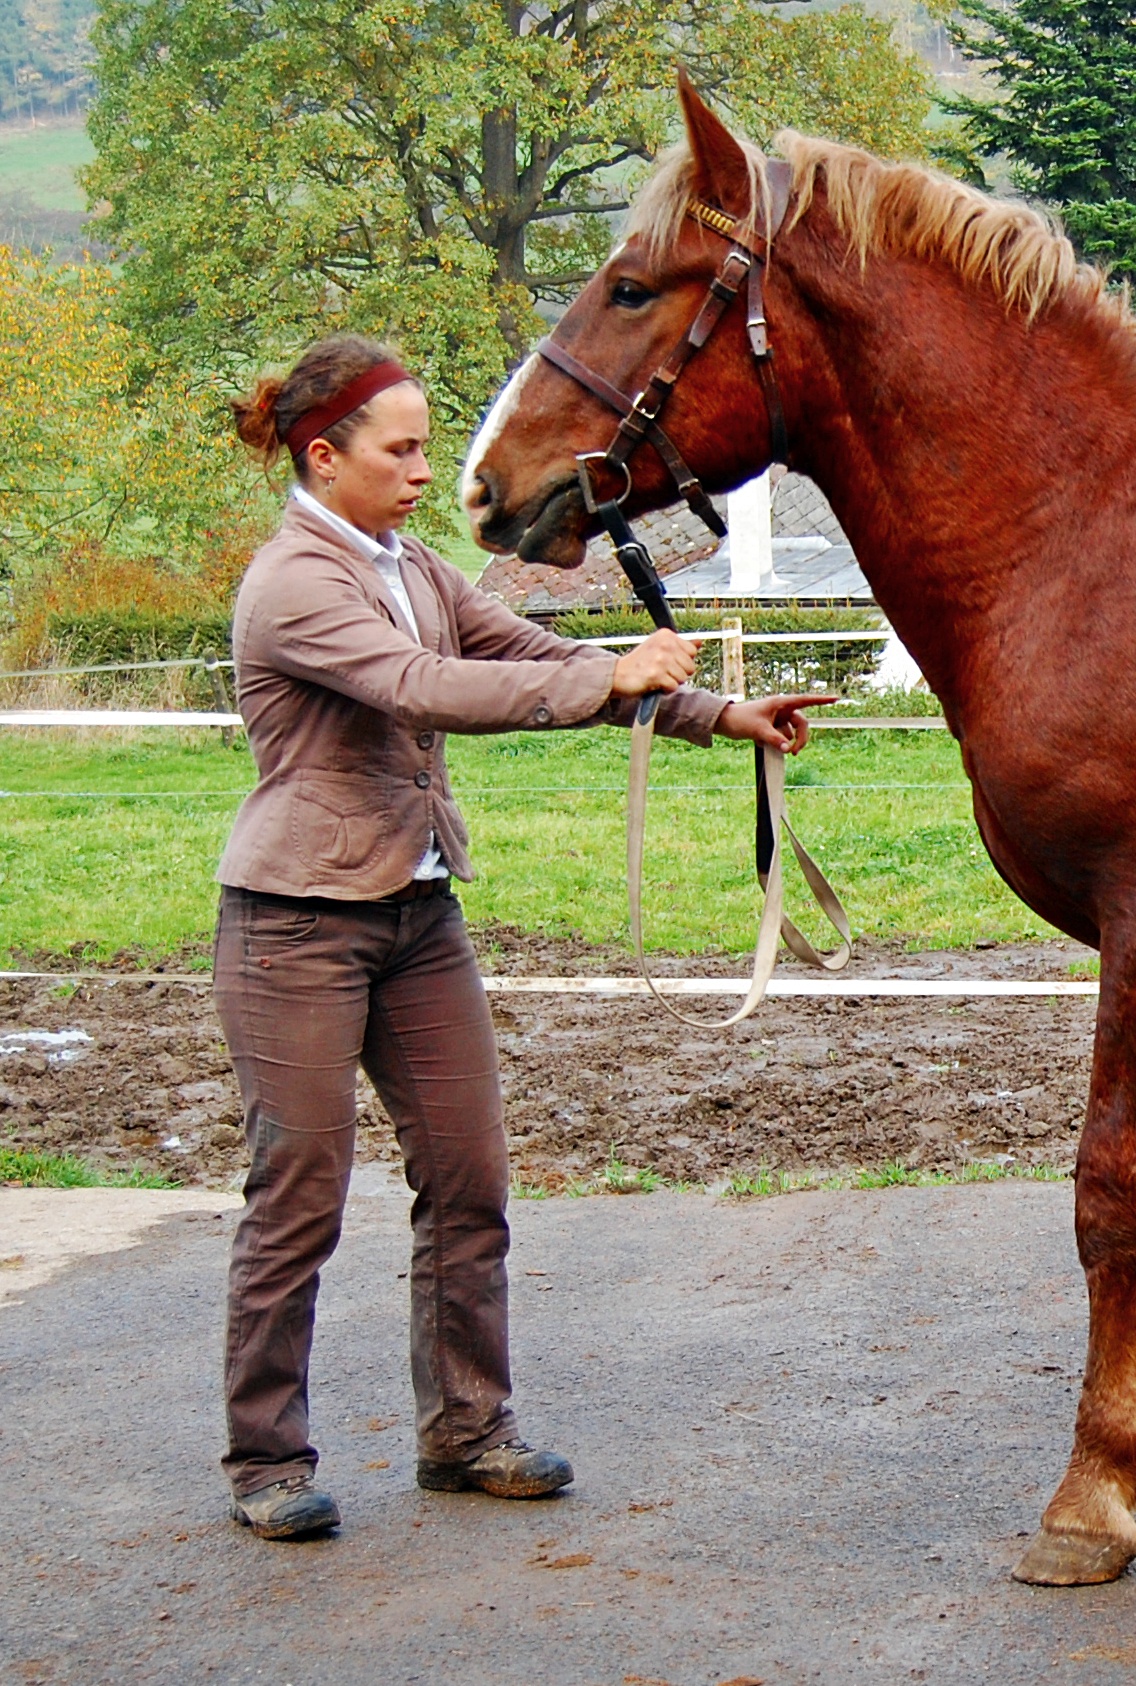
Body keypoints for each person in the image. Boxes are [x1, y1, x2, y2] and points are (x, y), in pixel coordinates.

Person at [215, 335, 821, 1540]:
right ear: (323, 457)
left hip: (416, 913)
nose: (423, 471)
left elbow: (531, 655)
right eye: (400, 450)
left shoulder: (411, 566)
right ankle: (264, 1462)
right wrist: (609, 681)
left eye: (425, 447)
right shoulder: (295, 582)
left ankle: (465, 1433)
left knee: (469, 1182)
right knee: (299, 1197)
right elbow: (424, 690)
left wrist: (714, 712)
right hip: (296, 926)